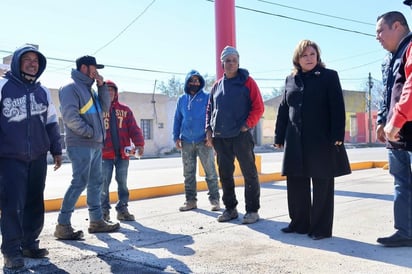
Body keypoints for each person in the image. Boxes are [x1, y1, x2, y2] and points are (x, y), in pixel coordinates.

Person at [274, 40, 350, 240]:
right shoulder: (290, 79)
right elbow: (284, 109)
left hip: (321, 139)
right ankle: (299, 223)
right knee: (296, 181)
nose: (309, 58)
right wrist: (279, 136)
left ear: (318, 57)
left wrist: (337, 136)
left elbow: (337, 107)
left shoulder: (329, 76)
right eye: (304, 55)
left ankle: (320, 228)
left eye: (312, 54)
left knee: (322, 183)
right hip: (295, 139)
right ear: (297, 59)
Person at [0, 44, 62, 269]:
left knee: (35, 203)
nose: (32, 63)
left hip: (37, 157)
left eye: (36, 60)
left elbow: (52, 122)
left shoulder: (42, 91)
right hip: (9, 158)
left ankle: (29, 244)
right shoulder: (3, 87)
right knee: (11, 205)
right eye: (27, 59)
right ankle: (11, 251)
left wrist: (56, 149)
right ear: (17, 62)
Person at [54, 55, 120, 240]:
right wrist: (91, 132)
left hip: (94, 144)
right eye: (94, 69)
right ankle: (63, 224)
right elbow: (69, 117)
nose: (96, 72)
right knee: (79, 182)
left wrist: (101, 85)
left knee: (95, 183)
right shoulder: (70, 87)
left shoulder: (90, 89)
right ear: (84, 68)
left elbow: (106, 107)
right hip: (81, 143)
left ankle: (96, 221)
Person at [206, 46, 264, 224]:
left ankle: (252, 211)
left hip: (241, 136)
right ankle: (230, 209)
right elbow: (210, 109)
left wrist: (247, 125)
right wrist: (208, 129)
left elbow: (258, 107)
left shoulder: (248, 82)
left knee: (249, 173)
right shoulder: (216, 86)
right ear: (222, 63)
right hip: (220, 137)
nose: (231, 63)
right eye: (227, 60)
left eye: (234, 60)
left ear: (238, 62)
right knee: (225, 174)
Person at [380, 1, 412, 247]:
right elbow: (390, 92)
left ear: (397, 25)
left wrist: (396, 121)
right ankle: (405, 231)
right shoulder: (393, 57)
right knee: (401, 182)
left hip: (406, 130)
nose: (378, 37)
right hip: (397, 133)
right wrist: (384, 121)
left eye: (381, 31)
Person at [173, 70, 220, 212]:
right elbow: (177, 119)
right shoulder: (182, 99)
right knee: (188, 173)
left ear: (201, 83)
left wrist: (210, 137)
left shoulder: (207, 97)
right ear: (187, 82)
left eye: (197, 81)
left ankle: (215, 200)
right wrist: (176, 137)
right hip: (186, 141)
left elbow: (213, 116)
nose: (195, 83)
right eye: (192, 81)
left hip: (204, 140)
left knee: (210, 172)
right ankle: (190, 201)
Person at [101, 79, 144, 222]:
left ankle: (123, 210)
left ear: (116, 92)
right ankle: (103, 212)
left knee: (123, 183)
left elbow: (134, 129)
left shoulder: (125, 110)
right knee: (103, 184)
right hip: (103, 155)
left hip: (123, 155)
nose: (110, 93)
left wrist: (139, 144)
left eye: (112, 90)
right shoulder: (97, 110)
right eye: (106, 90)